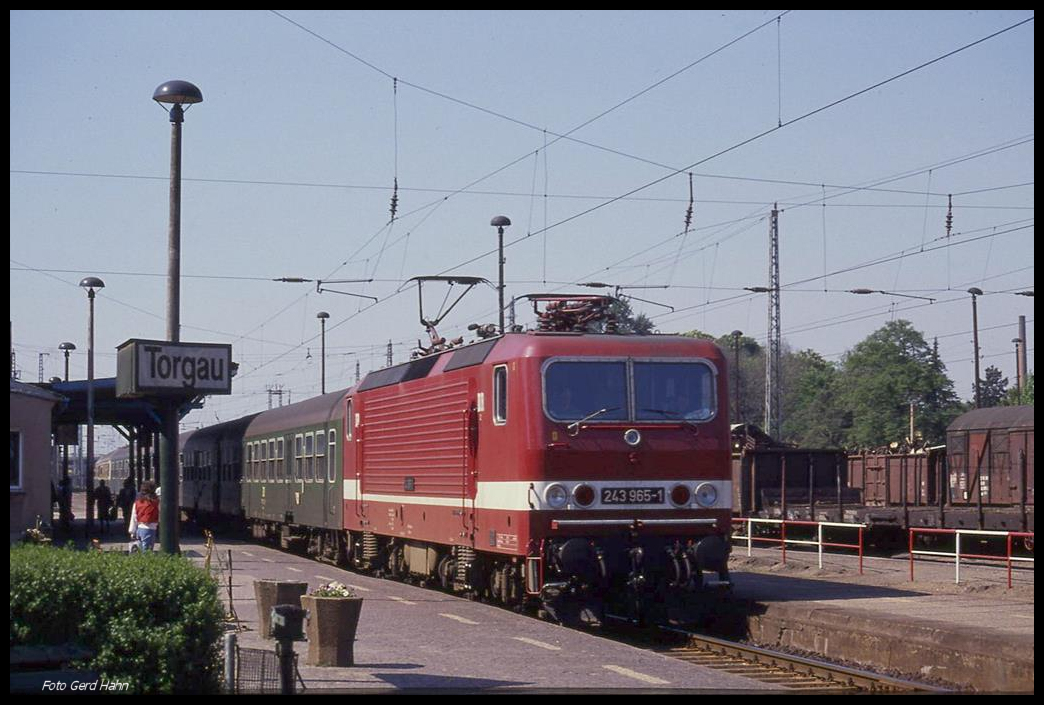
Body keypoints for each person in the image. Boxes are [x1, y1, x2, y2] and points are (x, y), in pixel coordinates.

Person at [129, 480, 160, 553]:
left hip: (139, 529)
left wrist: (132, 531)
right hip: (150, 529)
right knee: (147, 552)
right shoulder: (156, 502)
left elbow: (134, 518)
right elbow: (160, 515)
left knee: (139, 551)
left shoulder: (137, 502)